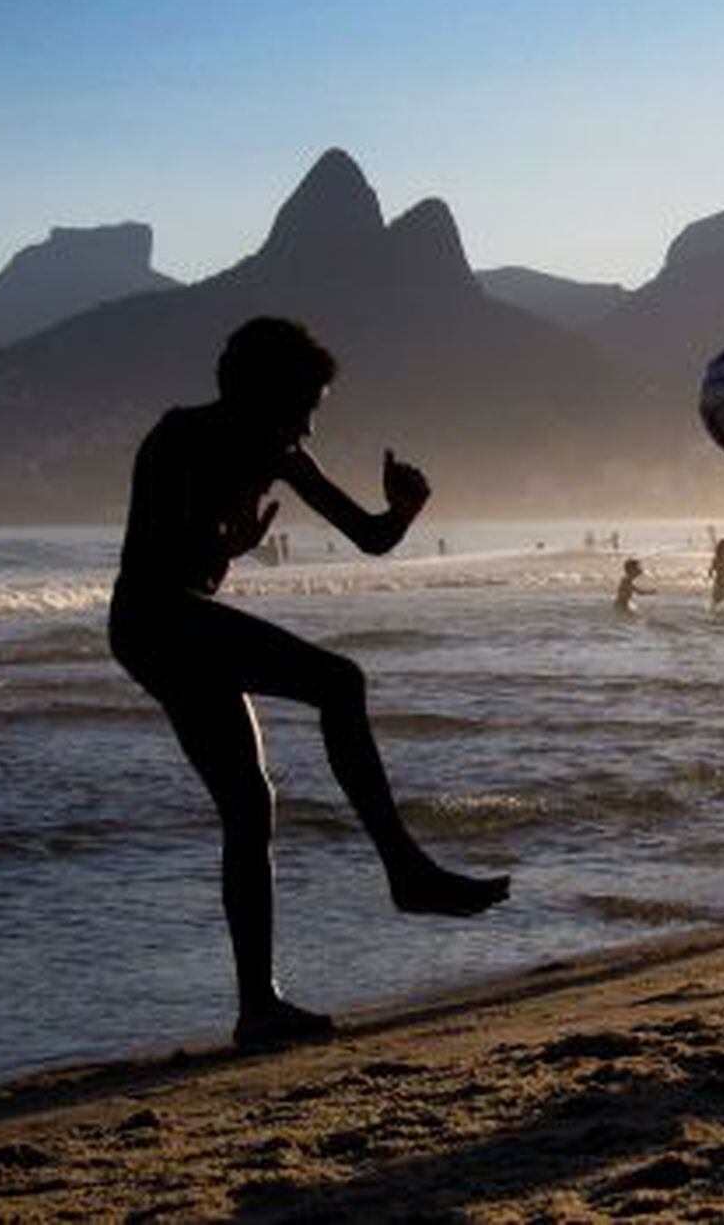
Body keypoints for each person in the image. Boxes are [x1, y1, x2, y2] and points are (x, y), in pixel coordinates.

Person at [108, 318, 510, 1051]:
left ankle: (258, 1007)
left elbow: (369, 537)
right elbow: (166, 555)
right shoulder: (181, 438)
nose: (308, 424)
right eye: (301, 405)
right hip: (154, 617)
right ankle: (406, 872)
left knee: (250, 805)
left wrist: (405, 510)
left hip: (180, 621)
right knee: (339, 682)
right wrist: (224, 544)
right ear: (255, 393)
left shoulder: (284, 454)